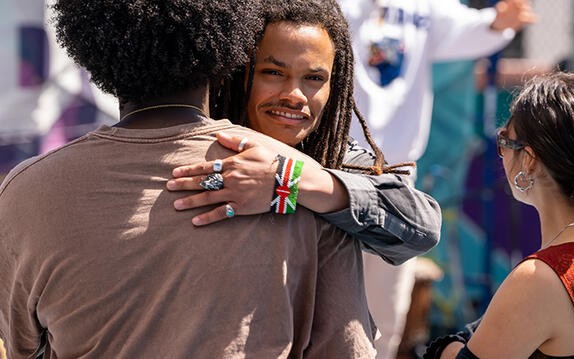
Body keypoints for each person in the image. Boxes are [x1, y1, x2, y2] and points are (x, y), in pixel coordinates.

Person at [0, 0, 377, 357]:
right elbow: (344, 348)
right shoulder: (299, 179)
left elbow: (23, 346)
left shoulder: (26, 191)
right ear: (230, 46)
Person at [167, 0, 442, 266]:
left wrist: (290, 182)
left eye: (314, 78)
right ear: (238, 73)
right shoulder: (191, 149)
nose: (295, 96)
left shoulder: (333, 156)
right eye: (273, 72)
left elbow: (422, 228)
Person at [335, 0, 537, 356]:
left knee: (384, 313)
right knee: (328, 300)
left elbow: (476, 29)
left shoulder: (422, 6)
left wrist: (502, 20)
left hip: (395, 177)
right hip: (333, 170)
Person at [426, 72, 574, 359]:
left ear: (528, 159)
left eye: (504, 141)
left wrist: (442, 349)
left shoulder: (539, 278)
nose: (501, 154)